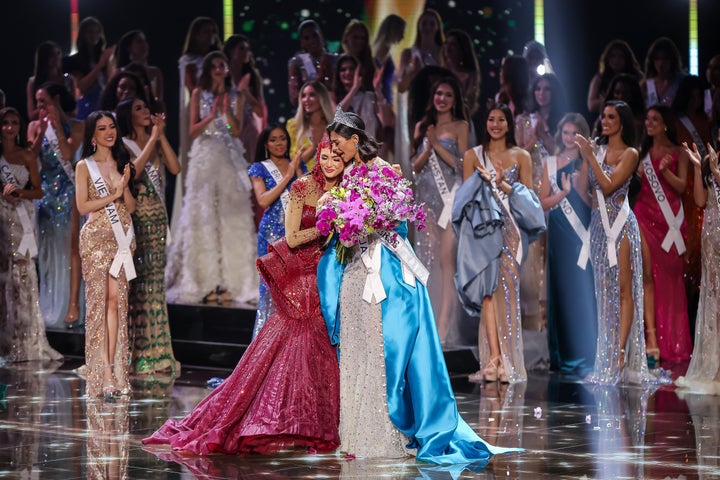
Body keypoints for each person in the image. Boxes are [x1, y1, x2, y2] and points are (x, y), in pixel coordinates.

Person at [318, 108, 517, 464]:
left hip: (386, 268)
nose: (334, 149)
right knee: (359, 348)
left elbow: (399, 221)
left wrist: (369, 220)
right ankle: (356, 431)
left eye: (338, 142)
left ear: (355, 140)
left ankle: (389, 432)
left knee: (387, 349)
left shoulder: (384, 170)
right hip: (356, 269)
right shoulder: (346, 176)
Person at [143, 145, 345, 455]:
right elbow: (291, 238)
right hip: (303, 273)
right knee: (297, 337)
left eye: (337, 158)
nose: (331, 163)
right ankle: (285, 418)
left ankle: (319, 419)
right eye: (326, 157)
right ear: (317, 158)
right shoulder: (304, 186)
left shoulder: (348, 190)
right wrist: (324, 227)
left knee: (324, 341)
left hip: (332, 270)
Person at [575, 100, 669, 385]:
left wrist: (590, 157)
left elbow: (608, 184)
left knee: (624, 288)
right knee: (603, 290)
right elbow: (583, 188)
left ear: (622, 122)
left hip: (620, 226)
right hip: (599, 226)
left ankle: (618, 354)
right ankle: (604, 354)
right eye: (603, 116)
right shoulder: (597, 150)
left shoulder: (630, 153)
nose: (604, 121)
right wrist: (589, 159)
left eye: (611, 116)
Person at [165, 52, 258, 305]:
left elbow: (236, 131)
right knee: (204, 215)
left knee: (231, 216)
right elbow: (193, 130)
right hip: (205, 158)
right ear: (207, 69)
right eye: (214, 66)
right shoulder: (198, 94)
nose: (219, 69)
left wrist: (226, 113)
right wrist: (211, 115)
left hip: (228, 159)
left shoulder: (235, 96)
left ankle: (232, 281)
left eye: (222, 65)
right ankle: (204, 279)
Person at [461, 104, 537, 384]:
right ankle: (493, 359)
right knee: (488, 293)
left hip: (511, 229)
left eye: (501, 120)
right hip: (483, 228)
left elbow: (529, 198)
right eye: (491, 119)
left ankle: (509, 360)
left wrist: (504, 185)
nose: (495, 124)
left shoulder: (522, 156)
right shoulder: (473, 156)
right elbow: (465, 197)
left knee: (507, 290)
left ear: (509, 124)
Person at [116, 97, 181, 375]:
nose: (146, 112)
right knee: (138, 282)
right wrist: (152, 138)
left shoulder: (156, 139)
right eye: (139, 109)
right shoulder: (123, 144)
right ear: (128, 116)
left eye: (146, 108)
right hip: (138, 218)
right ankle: (138, 351)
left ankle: (159, 351)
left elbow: (175, 168)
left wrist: (161, 136)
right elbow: (133, 174)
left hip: (158, 218)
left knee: (155, 282)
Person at [75, 111, 137, 399]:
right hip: (97, 239)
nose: (109, 132)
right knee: (99, 305)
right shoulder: (84, 166)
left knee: (116, 303)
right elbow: (83, 207)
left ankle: (116, 371)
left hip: (122, 238)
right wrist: (113, 195)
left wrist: (124, 188)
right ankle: (103, 373)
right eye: (102, 128)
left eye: (112, 126)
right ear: (92, 135)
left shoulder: (122, 162)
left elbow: (132, 207)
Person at [0, 106, 63, 363]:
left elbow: (38, 191)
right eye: (5, 122)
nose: (10, 127)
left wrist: (19, 194)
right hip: (1, 218)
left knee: (22, 274)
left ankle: (25, 339)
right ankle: (5, 340)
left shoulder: (26, 155)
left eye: (15, 122)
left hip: (21, 218)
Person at [411, 77, 469, 343]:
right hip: (426, 200)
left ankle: (445, 323)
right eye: (438, 93)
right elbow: (415, 166)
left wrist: (435, 145)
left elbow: (463, 164)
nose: (442, 98)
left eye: (447, 94)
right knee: (426, 259)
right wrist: (427, 145)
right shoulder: (424, 125)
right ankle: (427, 322)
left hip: (450, 201)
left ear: (455, 99)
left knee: (447, 260)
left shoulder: (461, 126)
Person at [540, 113, 597, 374]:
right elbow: (542, 202)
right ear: (559, 134)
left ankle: (585, 353)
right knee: (561, 292)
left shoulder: (589, 161)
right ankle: (561, 355)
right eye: (566, 132)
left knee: (582, 290)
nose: (569, 138)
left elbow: (590, 202)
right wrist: (562, 192)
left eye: (575, 133)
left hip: (581, 235)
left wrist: (584, 168)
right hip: (559, 236)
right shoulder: (550, 163)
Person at [634, 105, 690, 363]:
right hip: (644, 218)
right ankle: (649, 342)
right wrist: (639, 174)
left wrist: (665, 170)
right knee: (647, 278)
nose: (649, 123)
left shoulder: (680, 153)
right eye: (647, 119)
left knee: (670, 282)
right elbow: (633, 185)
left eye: (655, 119)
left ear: (666, 124)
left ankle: (673, 343)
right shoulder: (641, 153)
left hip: (670, 224)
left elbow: (681, 187)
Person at [27, 83, 84, 329]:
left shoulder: (78, 126)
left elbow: (69, 153)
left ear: (57, 100)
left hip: (70, 193)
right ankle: (50, 306)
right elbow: (31, 157)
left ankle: (72, 305)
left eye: (44, 102)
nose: (39, 107)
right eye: (37, 102)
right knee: (50, 252)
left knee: (71, 249)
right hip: (47, 196)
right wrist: (41, 132)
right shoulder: (33, 127)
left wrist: (58, 126)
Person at [515, 73, 567, 333]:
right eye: (538, 88)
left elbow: (562, 153)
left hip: (555, 188)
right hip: (530, 188)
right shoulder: (524, 119)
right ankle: (533, 315)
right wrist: (530, 139)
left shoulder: (561, 122)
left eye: (547, 89)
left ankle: (551, 313)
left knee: (551, 250)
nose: (542, 93)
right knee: (533, 252)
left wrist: (544, 136)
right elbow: (518, 152)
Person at [248, 124, 305, 337]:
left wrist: (297, 172)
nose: (279, 143)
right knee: (271, 287)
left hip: (294, 234)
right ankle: (266, 340)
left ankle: (290, 342)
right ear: (266, 143)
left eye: (282, 138)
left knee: (294, 287)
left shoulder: (297, 165)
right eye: (273, 139)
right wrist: (288, 175)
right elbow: (263, 200)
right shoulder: (259, 168)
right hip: (270, 235)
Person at [675, 141, 720, 393]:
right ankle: (711, 365)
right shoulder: (709, 160)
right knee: (713, 302)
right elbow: (701, 200)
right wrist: (697, 167)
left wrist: (716, 172)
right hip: (712, 237)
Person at [174, 17, 221, 229]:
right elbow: (193, 88)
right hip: (196, 111)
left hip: (218, 111)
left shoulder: (220, 60)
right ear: (195, 35)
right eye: (205, 31)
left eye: (213, 31)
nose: (210, 36)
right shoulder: (189, 61)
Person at [223, 34, 266, 163]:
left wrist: (246, 93)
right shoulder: (222, 75)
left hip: (247, 128)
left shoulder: (253, 76)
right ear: (231, 51)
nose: (246, 52)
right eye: (241, 48)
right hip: (227, 125)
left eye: (247, 49)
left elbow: (260, 111)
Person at [64, 17, 115, 119]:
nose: (94, 35)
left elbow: (111, 82)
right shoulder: (74, 60)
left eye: (97, 32)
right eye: (90, 31)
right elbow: (82, 86)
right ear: (83, 34)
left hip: (105, 104)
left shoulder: (105, 56)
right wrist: (100, 64)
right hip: (86, 106)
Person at [287, 19, 336, 109]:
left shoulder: (334, 60)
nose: (312, 40)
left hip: (334, 112)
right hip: (308, 115)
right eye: (306, 38)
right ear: (302, 42)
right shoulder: (297, 63)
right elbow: (294, 98)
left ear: (321, 36)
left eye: (315, 35)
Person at [286, 80, 334, 170]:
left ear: (322, 98)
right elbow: (294, 163)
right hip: (304, 180)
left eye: (312, 95)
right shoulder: (293, 126)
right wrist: (314, 146)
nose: (306, 100)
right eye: (303, 96)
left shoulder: (334, 127)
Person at [587, 39, 643, 115]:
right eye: (612, 56)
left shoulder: (637, 77)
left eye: (620, 56)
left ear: (627, 58)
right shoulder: (600, 78)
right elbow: (591, 106)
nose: (616, 60)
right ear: (607, 58)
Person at [26, 41, 77, 121]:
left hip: (66, 124)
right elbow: (32, 116)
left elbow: (74, 112)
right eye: (51, 54)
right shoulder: (33, 82)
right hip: (43, 125)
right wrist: (49, 103)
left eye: (58, 53)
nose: (56, 57)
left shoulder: (69, 80)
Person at [114, 30, 164, 105]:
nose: (144, 45)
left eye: (145, 41)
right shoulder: (120, 72)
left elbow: (159, 101)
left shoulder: (155, 71)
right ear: (129, 48)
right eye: (139, 42)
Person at [642, 37, 685, 108]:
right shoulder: (646, 85)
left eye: (666, 58)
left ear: (672, 60)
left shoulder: (682, 81)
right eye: (657, 58)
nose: (661, 63)